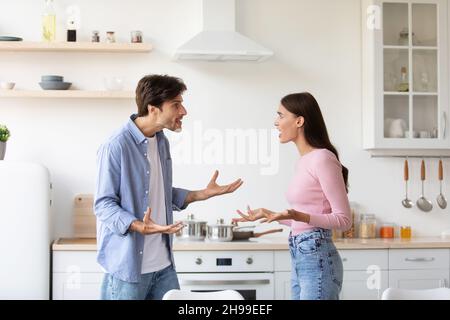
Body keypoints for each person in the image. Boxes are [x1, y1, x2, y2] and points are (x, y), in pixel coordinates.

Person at [95, 74, 243, 300]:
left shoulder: (161, 141)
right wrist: (137, 226)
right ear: (153, 108)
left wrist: (201, 194)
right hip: (128, 270)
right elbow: (103, 205)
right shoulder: (116, 146)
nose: (183, 111)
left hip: (163, 266)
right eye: (176, 105)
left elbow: (158, 193)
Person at [234, 92, 351, 300]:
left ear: (299, 120)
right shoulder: (303, 161)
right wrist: (269, 214)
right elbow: (306, 216)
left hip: (318, 257)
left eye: (280, 115)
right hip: (301, 252)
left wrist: (298, 215)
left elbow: (343, 221)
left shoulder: (323, 158)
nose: (276, 122)